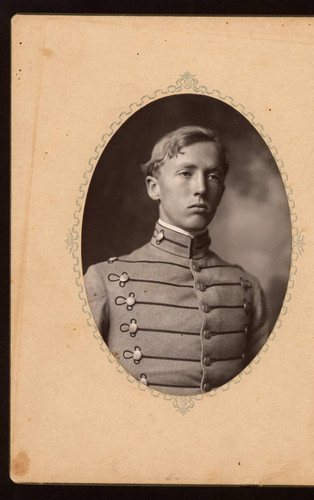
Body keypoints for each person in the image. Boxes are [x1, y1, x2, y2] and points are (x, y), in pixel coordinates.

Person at [84, 125, 269, 395]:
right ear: (154, 188)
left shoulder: (246, 287)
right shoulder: (104, 281)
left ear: (222, 191)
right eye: (186, 173)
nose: (201, 188)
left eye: (213, 176)